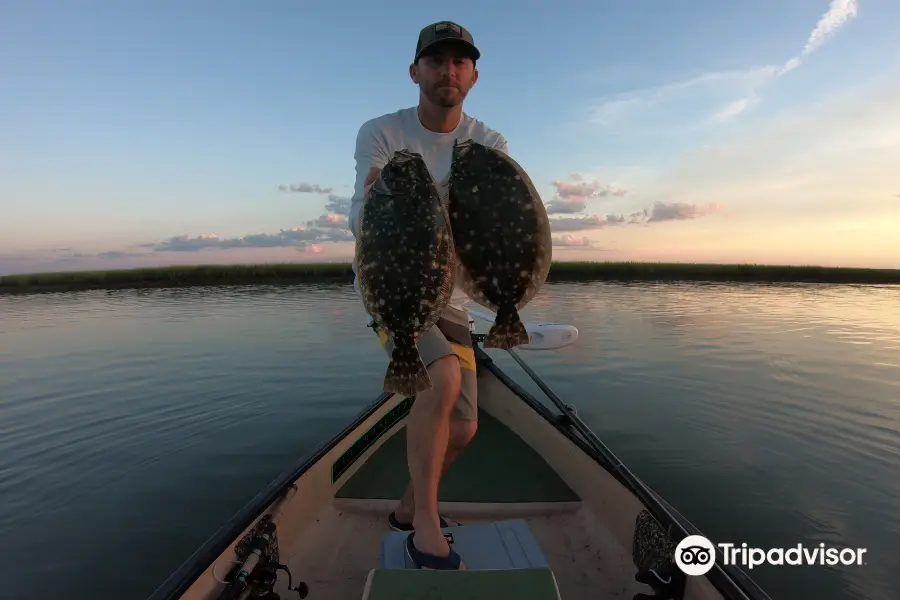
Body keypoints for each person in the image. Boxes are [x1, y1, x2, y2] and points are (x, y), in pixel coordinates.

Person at [347, 21, 508, 570]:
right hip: (392, 287)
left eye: (459, 61)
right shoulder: (382, 133)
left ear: (474, 75)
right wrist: (372, 209)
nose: (448, 70)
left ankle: (406, 509)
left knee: (464, 425)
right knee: (441, 377)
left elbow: (495, 228)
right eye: (436, 60)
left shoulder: (488, 144)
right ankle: (425, 528)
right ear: (415, 71)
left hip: (453, 298)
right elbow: (358, 218)